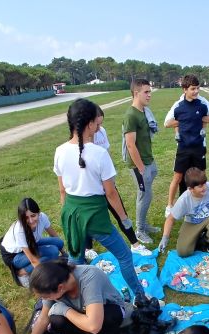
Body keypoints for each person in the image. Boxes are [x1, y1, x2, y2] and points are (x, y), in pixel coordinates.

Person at [54, 98, 146, 301]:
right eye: (97, 121)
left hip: (71, 212)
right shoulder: (99, 154)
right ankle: (140, 296)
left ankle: (77, 300)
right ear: (89, 124)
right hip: (94, 213)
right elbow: (111, 193)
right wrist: (124, 219)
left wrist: (67, 217)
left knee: (76, 261)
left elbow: (62, 190)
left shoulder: (59, 151)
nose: (98, 125)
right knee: (124, 255)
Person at [22, 260, 132, 334]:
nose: (44, 300)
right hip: (82, 312)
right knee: (55, 319)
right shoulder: (55, 281)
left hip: (108, 309)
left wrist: (65, 310)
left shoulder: (89, 277)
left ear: (60, 288)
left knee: (103, 323)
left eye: (46, 297)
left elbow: (94, 326)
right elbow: (42, 319)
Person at [90, 106, 153, 256]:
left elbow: (106, 154)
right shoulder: (78, 144)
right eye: (96, 125)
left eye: (101, 124)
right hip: (91, 187)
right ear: (88, 124)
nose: (99, 128)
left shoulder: (102, 132)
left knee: (120, 212)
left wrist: (110, 176)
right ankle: (88, 248)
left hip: (106, 182)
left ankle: (134, 244)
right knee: (91, 217)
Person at [164, 74, 209, 214]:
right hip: (183, 148)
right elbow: (167, 123)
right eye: (193, 89)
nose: (196, 91)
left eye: (197, 88)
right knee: (178, 177)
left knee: (201, 177)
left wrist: (197, 118)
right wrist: (186, 120)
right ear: (184, 89)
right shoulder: (179, 106)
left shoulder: (202, 103)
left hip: (199, 147)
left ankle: (203, 203)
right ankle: (170, 206)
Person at [158, 168, 209, 256]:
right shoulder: (184, 199)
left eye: (204, 184)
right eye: (200, 186)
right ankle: (199, 239)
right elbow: (170, 219)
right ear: (190, 189)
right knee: (183, 252)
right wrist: (165, 238)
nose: (204, 188)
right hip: (192, 222)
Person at [123, 79, 159, 243]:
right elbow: (130, 145)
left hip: (147, 160)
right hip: (140, 165)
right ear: (136, 93)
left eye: (150, 92)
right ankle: (139, 230)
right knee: (144, 195)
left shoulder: (143, 111)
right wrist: (141, 167)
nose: (150, 95)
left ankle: (144, 224)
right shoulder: (131, 115)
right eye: (146, 92)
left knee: (147, 195)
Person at [0, 197, 64, 287]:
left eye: (33, 215)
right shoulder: (19, 230)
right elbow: (33, 260)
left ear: (39, 213)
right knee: (53, 252)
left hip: (32, 244)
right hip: (14, 256)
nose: (30, 220)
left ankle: (53, 260)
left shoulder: (42, 217)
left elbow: (53, 234)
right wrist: (48, 281)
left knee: (59, 242)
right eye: (26, 217)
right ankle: (22, 272)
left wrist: (65, 254)